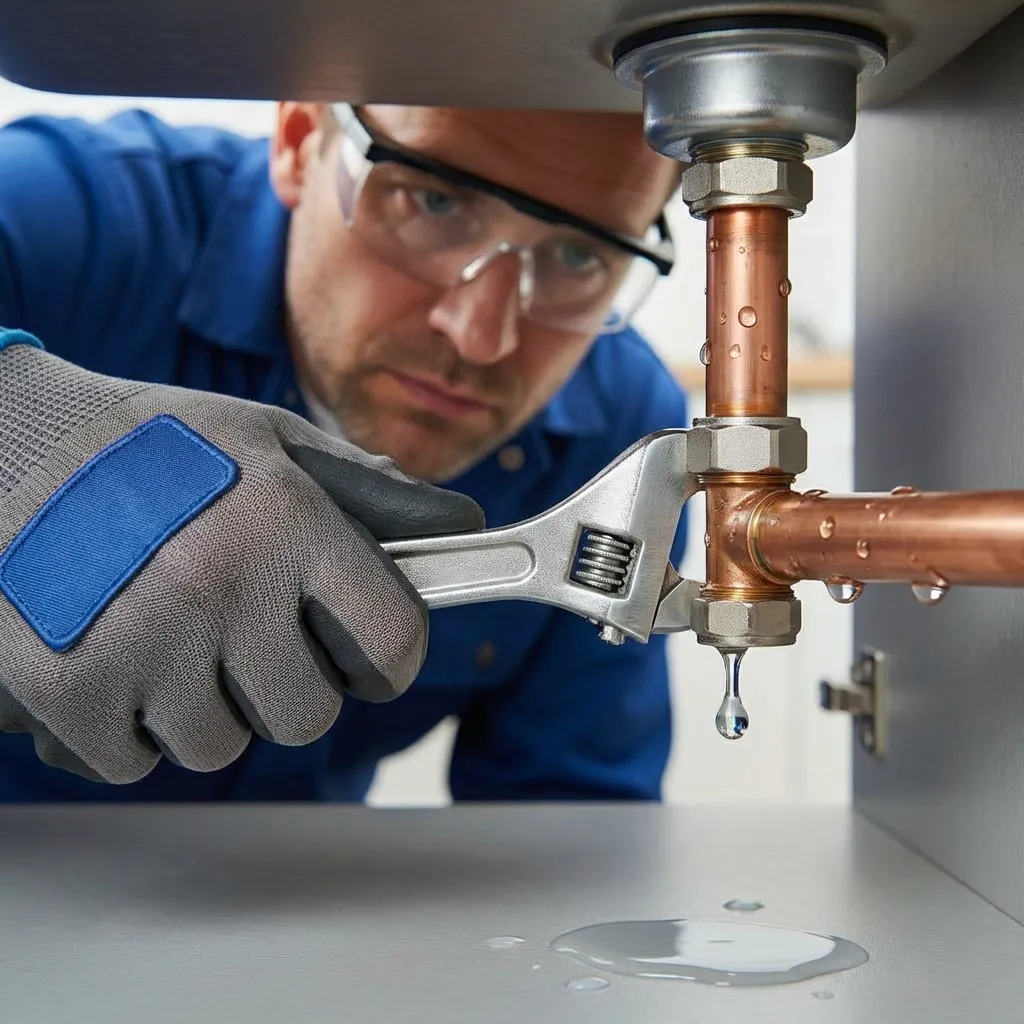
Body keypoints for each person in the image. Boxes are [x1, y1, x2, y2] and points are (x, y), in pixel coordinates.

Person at [0, 99, 688, 802]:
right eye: (435, 201)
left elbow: (563, 824)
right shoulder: (74, 214)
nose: (480, 336)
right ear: (300, 141)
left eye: (581, 255)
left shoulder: (620, 438)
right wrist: (19, 431)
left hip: (312, 901)